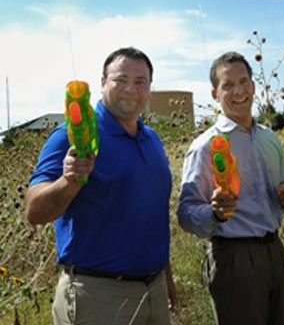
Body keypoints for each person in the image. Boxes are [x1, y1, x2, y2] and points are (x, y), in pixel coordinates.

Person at [26, 47, 176, 325]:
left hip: (153, 291)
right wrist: (68, 181)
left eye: (140, 81)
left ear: (150, 89)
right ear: (103, 83)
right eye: (121, 79)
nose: (131, 89)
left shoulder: (152, 139)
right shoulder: (70, 135)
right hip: (97, 297)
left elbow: (152, 213)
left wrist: (165, 277)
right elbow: (34, 210)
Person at [177, 51, 284, 325]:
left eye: (244, 81)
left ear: (253, 87)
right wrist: (215, 213)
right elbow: (185, 214)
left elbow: (282, 192)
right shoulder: (205, 147)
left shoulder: (269, 138)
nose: (238, 90)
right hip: (234, 258)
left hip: (273, 251)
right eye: (228, 85)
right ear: (214, 93)